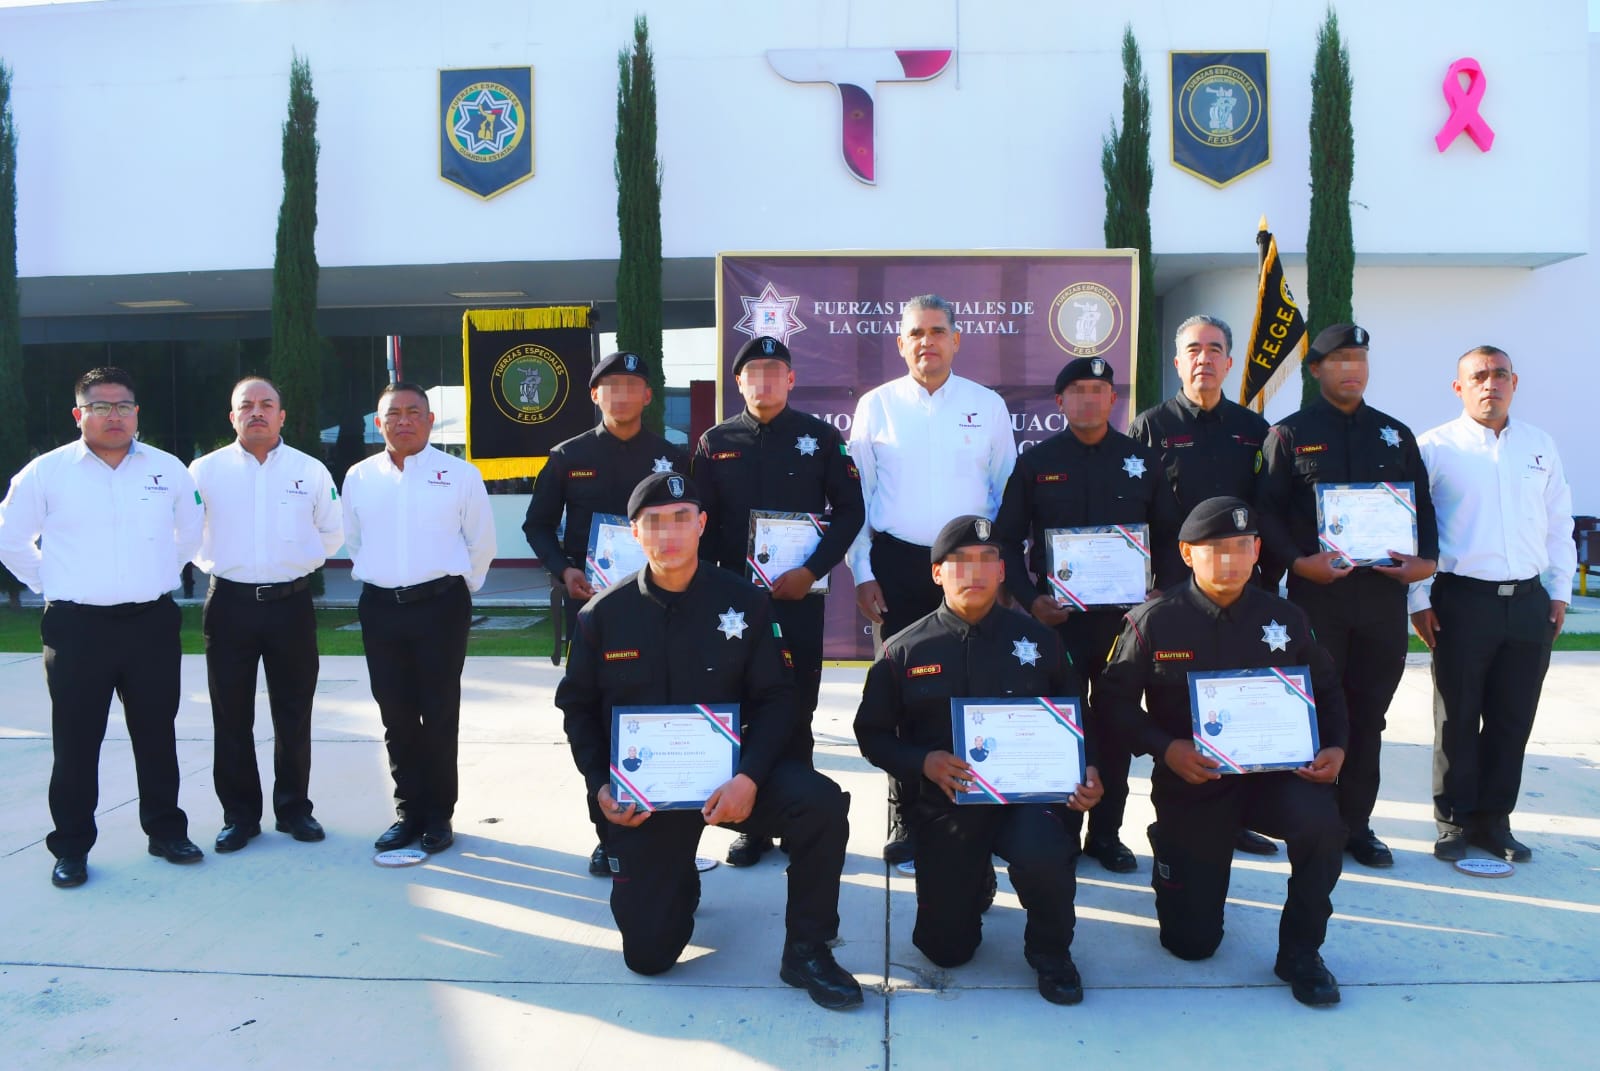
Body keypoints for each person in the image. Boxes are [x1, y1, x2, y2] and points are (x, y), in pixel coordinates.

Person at [555, 472, 862, 1010]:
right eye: (654, 522)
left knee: (820, 805)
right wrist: (600, 784)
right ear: (634, 532)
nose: (669, 533)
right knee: (649, 956)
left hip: (732, 780)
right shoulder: (602, 615)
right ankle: (676, 877)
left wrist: (750, 777)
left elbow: (778, 699)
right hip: (646, 798)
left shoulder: (745, 602)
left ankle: (808, 950)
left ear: (701, 524)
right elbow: (577, 708)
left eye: (681, 519)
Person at [1097, 497, 1348, 1006]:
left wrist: (1337, 747)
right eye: (1215, 549)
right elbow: (1110, 703)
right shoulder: (1154, 621)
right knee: (1191, 945)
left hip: (1274, 778)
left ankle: (1302, 951)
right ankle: (1172, 850)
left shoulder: (1286, 617)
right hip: (1194, 783)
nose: (1230, 559)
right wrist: (1166, 748)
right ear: (1187, 554)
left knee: (1322, 826)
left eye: (1241, 546)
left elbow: (1328, 690)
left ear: (1256, 550)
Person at [854, 515, 1103, 1005]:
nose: (975, 572)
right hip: (949, 805)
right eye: (961, 561)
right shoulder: (904, 650)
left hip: (1028, 801)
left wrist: (1089, 768)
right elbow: (871, 735)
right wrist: (923, 761)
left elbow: (1081, 716)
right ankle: (974, 878)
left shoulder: (1040, 642)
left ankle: (1051, 951)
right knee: (945, 951)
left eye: (988, 560)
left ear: (1003, 571)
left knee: (1045, 852)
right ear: (937, 573)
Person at [0, 367, 204, 888]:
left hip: (150, 624)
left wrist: (158, 574)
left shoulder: (167, 469)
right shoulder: (45, 473)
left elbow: (189, 534)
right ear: (79, 414)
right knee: (76, 742)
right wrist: (50, 581)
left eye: (124, 406)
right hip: (77, 629)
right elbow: (10, 538)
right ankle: (71, 848)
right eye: (101, 406)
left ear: (137, 412)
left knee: (156, 735)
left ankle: (166, 832)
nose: (115, 416)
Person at [1256, 324, 1438, 869]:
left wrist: (1426, 562)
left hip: (1381, 600)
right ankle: (1312, 820)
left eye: (1359, 358)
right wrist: (1297, 562)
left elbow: (1423, 507)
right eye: (1338, 359)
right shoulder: (1289, 435)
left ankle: (1356, 824)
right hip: (1319, 600)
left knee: (1368, 715)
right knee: (1313, 711)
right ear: (1315, 370)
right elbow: (1266, 511)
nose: (1351, 368)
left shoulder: (1395, 435)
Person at [846, 293, 1017, 863]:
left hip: (970, 568)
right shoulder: (876, 406)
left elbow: (1005, 491)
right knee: (900, 691)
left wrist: (999, 569)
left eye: (938, 331)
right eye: (916, 333)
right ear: (901, 343)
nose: (928, 342)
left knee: (970, 685)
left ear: (956, 340)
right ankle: (905, 815)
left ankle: (981, 804)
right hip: (897, 565)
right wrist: (863, 570)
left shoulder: (987, 405)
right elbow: (859, 498)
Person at [994, 355, 1182, 872]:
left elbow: (1171, 538)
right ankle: (1061, 829)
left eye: (1098, 390)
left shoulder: (1143, 460)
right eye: (1077, 391)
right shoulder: (1036, 463)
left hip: (1127, 625)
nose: (1088, 399)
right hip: (1060, 624)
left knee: (1117, 725)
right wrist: (1031, 599)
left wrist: (1160, 596)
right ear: (1060, 402)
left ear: (1113, 399)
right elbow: (1006, 540)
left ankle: (1106, 834)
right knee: (1064, 723)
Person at [691, 334, 865, 866]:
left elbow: (851, 511)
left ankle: (799, 819)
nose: (764, 382)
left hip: (797, 599)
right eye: (753, 373)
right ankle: (752, 826)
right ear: (738, 383)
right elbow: (701, 523)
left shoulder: (820, 437)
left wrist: (811, 571)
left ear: (790, 380)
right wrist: (713, 588)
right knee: (742, 707)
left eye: (775, 372)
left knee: (797, 706)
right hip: (732, 607)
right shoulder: (715, 442)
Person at [523, 350, 689, 876]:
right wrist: (563, 570)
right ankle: (607, 831)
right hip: (593, 605)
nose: (621, 395)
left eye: (632, 385)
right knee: (597, 714)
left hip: (663, 605)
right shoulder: (568, 455)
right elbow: (537, 524)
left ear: (648, 396)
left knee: (662, 706)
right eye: (611, 386)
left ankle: (669, 827)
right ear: (595, 395)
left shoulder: (672, 457)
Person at [1409, 346, 1575, 864]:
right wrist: (1418, 598)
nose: (1490, 384)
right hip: (1462, 601)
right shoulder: (1434, 448)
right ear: (1458, 387)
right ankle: (1454, 822)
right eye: (1478, 376)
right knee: (1456, 718)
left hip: (1528, 603)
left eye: (1500, 374)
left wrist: (1560, 591)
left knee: (1512, 718)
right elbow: (1414, 529)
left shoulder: (1539, 445)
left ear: (1514, 383)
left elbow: (1558, 523)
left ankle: (1494, 821)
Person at [1128, 314, 1278, 857]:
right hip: (1173, 596)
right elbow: (1136, 512)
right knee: (1175, 712)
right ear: (1177, 361)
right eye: (1193, 349)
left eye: (1215, 349)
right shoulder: (1151, 427)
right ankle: (1172, 821)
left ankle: (1233, 818)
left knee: (1235, 705)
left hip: (1239, 595)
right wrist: (1145, 581)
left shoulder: (1253, 429)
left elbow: (1268, 508)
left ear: (1229, 361)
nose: (1204, 358)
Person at [190, 376, 344, 853]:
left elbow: (332, 532)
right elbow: (185, 531)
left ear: (281, 416)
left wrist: (295, 562)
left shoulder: (309, 470)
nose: (256, 411)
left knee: (293, 712)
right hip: (229, 605)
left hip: (290, 605)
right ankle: (240, 817)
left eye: (266, 404)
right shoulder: (204, 471)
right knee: (230, 715)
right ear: (232, 416)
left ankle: (294, 809)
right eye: (246, 405)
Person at [344, 381, 495, 856]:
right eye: (394, 413)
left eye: (414, 412)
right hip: (381, 608)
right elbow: (354, 540)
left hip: (440, 607)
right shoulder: (359, 477)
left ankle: (438, 815)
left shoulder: (459, 474)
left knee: (440, 712)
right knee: (396, 713)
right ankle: (408, 811)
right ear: (379, 422)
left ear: (430, 421)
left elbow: (481, 542)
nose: (404, 420)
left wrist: (459, 589)